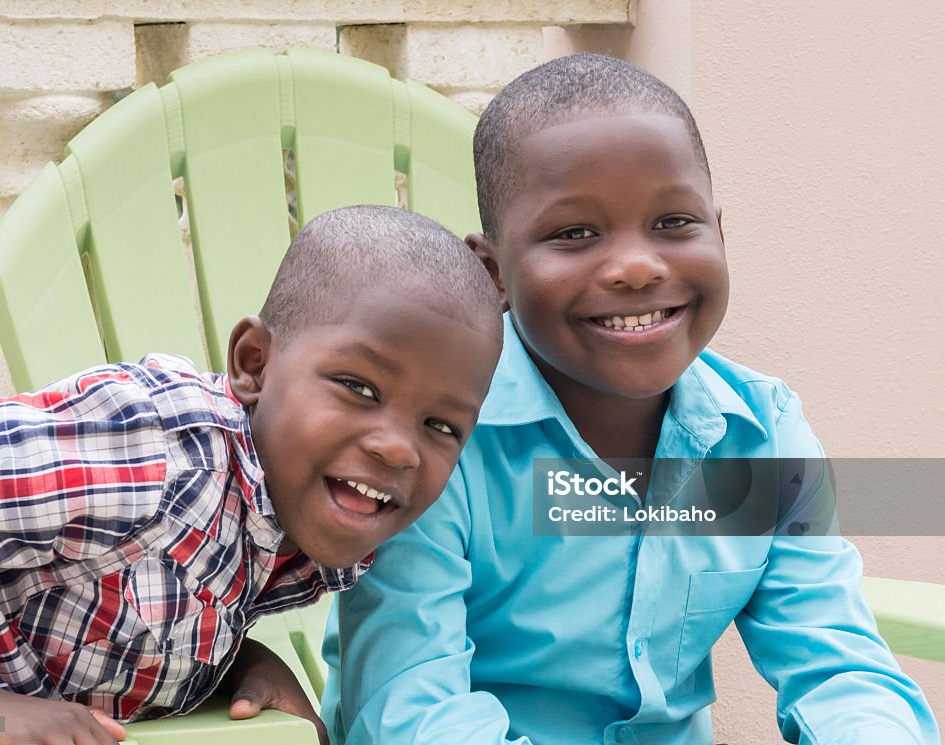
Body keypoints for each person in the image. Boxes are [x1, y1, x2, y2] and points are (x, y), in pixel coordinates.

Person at [321, 55, 939, 744]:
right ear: (492, 273)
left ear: (720, 232)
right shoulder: (433, 442)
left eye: (675, 222)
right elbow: (409, 707)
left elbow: (840, 669)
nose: (638, 266)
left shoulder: (761, 434)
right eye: (575, 234)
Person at [0, 205, 504, 745]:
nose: (399, 449)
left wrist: (240, 665)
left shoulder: (299, 520)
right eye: (359, 388)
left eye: (441, 425)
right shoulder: (153, 449)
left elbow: (149, 606)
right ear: (254, 363)